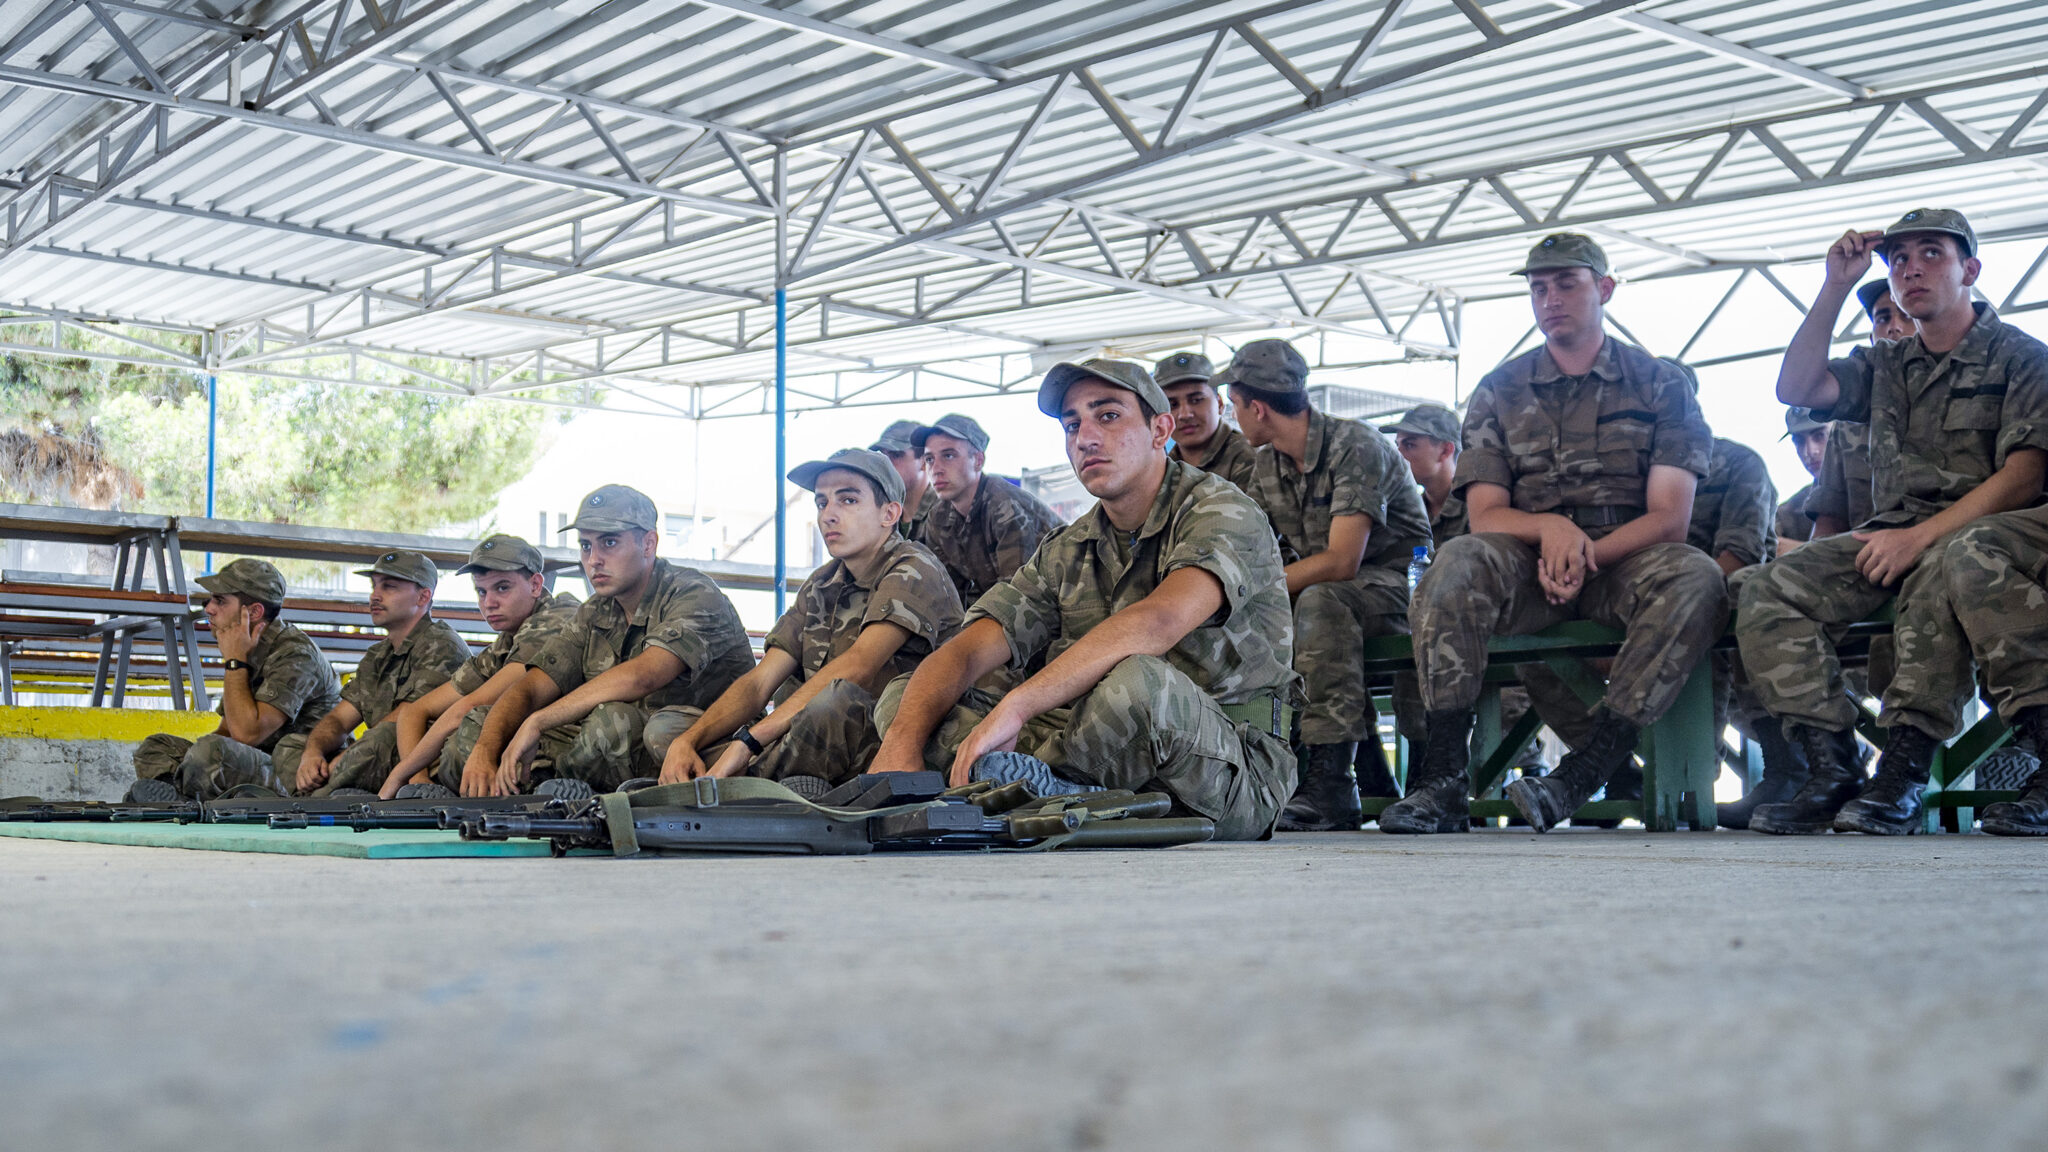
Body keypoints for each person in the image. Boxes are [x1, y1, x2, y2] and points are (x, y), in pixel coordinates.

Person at [1379, 232, 1726, 834]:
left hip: (1626, 560)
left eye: (1567, 283)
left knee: (1697, 576)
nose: (1551, 299)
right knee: (1457, 560)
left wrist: (1582, 554)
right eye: (1539, 288)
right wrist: (1552, 530)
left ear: (1606, 289)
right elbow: (1487, 514)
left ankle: (1585, 771)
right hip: (1528, 564)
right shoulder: (1500, 389)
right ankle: (1441, 778)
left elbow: (1670, 518)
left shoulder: (1659, 384)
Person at [868, 359, 1297, 841]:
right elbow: (970, 649)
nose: (1085, 438)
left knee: (1142, 680)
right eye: (1072, 425)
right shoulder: (1068, 546)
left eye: (1107, 416)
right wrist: (901, 745)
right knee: (910, 696)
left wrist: (1017, 706)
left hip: (1224, 769)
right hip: (1088, 746)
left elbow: (1160, 621)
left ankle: (1030, 794)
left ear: (1161, 429)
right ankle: (1047, 794)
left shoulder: (1221, 508)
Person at [1738, 208, 2048, 835]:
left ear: (1972, 270)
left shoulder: (2022, 358)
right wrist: (1834, 284)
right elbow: (1796, 386)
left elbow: (2023, 478)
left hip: (1999, 532)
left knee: (1950, 560)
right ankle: (1833, 766)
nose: (1911, 270)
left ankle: (1904, 770)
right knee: (1765, 587)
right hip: (1898, 534)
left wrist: (1920, 536)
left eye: (1932, 254)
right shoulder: (1887, 365)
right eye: (1899, 259)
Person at [650, 449, 963, 786]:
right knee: (666, 731)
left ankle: (739, 789)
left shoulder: (914, 567)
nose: (828, 515)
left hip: (902, 744)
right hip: (817, 739)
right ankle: (759, 784)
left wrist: (749, 742)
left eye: (847, 500)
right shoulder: (822, 584)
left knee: (834, 701)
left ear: (889, 513)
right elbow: (759, 684)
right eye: (822, 502)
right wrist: (688, 741)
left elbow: (858, 666)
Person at [1231, 338, 1431, 830]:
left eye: (1234, 406)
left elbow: (1342, 561)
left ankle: (1331, 784)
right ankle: (1322, 773)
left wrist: (1259, 588)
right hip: (1340, 598)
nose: (1235, 418)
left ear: (1257, 408)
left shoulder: (1355, 444)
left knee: (1319, 601)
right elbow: (1258, 552)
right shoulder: (1268, 463)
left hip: (1404, 588)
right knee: (1260, 616)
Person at [457, 485, 756, 797]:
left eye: (609, 542)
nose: (594, 559)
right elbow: (532, 687)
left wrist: (538, 721)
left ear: (648, 543)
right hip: (621, 747)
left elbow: (645, 674)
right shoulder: (594, 612)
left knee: (614, 721)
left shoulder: (693, 593)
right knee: (483, 723)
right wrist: (485, 750)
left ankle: (557, 792)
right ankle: (543, 789)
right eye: (586, 546)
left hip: (699, 742)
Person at [373, 535, 580, 798]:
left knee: (469, 730)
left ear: (536, 584)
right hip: (545, 742)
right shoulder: (506, 641)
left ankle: (546, 793)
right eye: (481, 591)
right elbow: (415, 711)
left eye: (502, 588)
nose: (489, 602)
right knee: (429, 739)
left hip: (587, 741)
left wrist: (398, 778)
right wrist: (418, 781)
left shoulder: (555, 619)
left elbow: (468, 707)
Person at [128, 559, 341, 801]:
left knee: (210, 752)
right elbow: (226, 731)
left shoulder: (296, 654)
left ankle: (182, 799)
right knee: (156, 747)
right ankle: (180, 799)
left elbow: (247, 735)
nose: (208, 608)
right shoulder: (249, 646)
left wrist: (235, 661)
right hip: (257, 761)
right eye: (210, 600)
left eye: (220, 601)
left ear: (253, 612)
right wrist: (195, 758)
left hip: (297, 773)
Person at [288, 551, 471, 795]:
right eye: (374, 586)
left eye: (389, 587)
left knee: (381, 737)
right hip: (374, 756)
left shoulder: (443, 645)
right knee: (292, 745)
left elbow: (404, 718)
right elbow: (339, 720)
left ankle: (314, 800)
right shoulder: (377, 655)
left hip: (418, 763)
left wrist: (346, 757)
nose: (375, 595)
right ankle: (322, 794)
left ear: (423, 596)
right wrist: (313, 752)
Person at [914, 413, 1063, 608]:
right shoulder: (938, 517)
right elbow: (950, 595)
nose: (936, 469)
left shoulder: (1004, 505)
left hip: (1062, 608)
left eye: (948, 455)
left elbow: (1019, 598)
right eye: (930, 459)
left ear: (978, 460)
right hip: (1013, 613)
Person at [1804, 278, 1909, 541]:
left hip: (1943, 545)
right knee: (1762, 580)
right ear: (1871, 336)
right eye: (1882, 318)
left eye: (1906, 317)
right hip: (1863, 555)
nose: (1894, 328)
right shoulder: (1848, 423)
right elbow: (1829, 520)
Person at [1158, 350, 1258, 492]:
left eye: (1196, 400)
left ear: (1220, 403)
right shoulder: (1162, 466)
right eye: (1172, 405)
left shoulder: (1249, 459)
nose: (1185, 414)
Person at [1382, 403, 1467, 542]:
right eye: (1398, 445)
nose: (1398, 456)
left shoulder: (1475, 509)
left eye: (1409, 445)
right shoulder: (1407, 512)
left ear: (1445, 451)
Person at [872, 419, 940, 540]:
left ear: (924, 462)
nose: (886, 464)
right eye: (882, 456)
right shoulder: (882, 515)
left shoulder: (946, 513)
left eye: (896, 455)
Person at [1775, 407, 1828, 555]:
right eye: (1799, 441)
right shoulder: (1791, 509)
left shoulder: (1875, 492)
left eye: (1820, 436)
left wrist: (1802, 551)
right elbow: (1771, 544)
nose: (1809, 452)